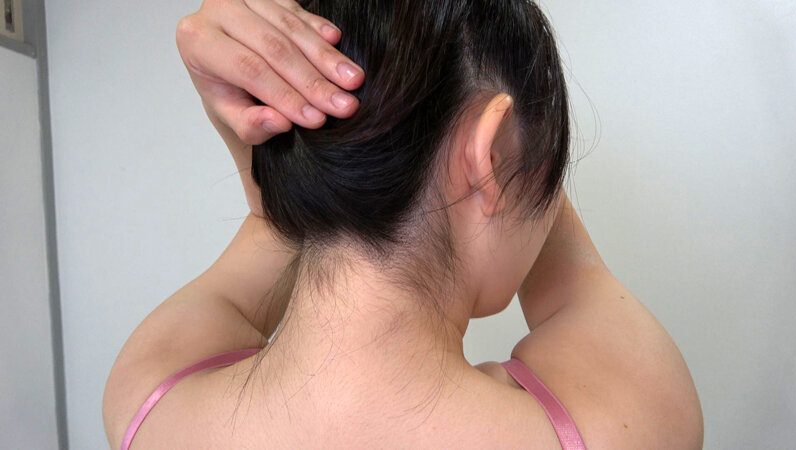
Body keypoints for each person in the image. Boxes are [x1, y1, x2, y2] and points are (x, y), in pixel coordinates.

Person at [102, 0, 704, 448]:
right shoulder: (625, 424)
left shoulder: (149, 403)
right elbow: (576, 291)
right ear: (490, 157)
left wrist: (280, 133)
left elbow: (276, 224)